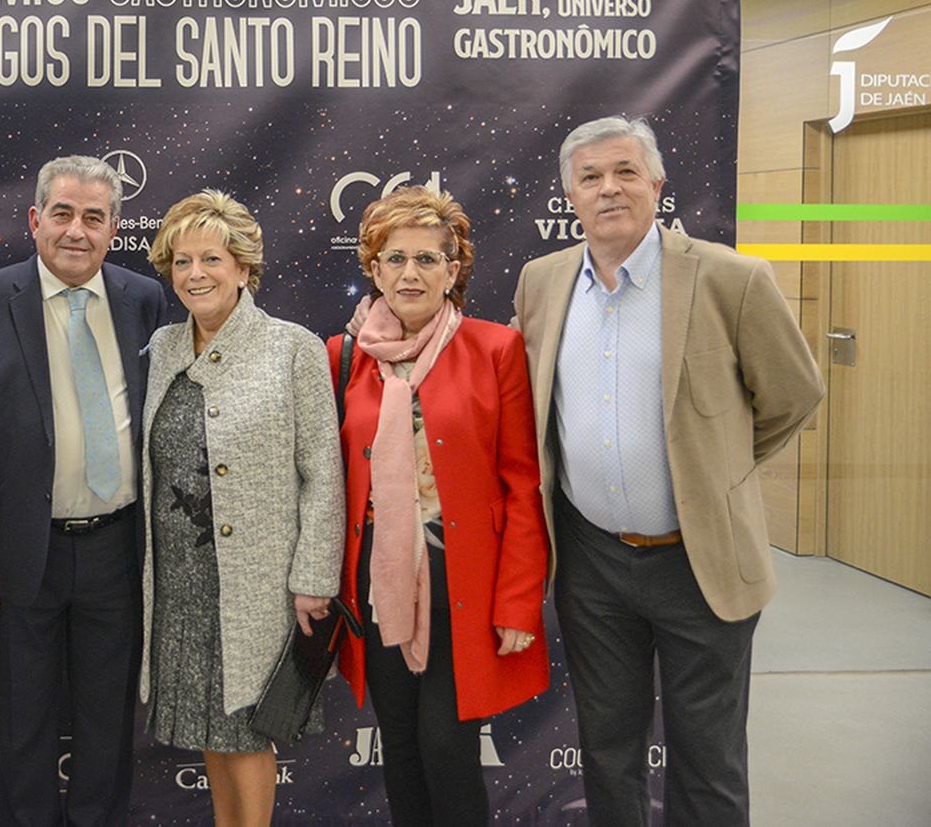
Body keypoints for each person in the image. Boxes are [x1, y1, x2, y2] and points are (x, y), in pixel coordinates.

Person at [513, 117, 824, 827]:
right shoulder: (541, 282)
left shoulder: (731, 279)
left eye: (625, 171)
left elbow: (793, 396)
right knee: (608, 751)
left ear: (656, 183)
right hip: (591, 562)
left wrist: (714, 476)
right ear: (569, 194)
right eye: (590, 177)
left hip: (701, 561)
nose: (608, 188)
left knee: (708, 758)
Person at [0, 155, 166, 826]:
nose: (77, 231)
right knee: (22, 723)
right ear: (36, 220)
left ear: (114, 229)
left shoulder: (145, 299)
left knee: (107, 725)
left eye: (94, 218)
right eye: (63, 214)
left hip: (117, 550)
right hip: (17, 555)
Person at [329, 185, 549, 827]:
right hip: (379, 578)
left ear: (454, 271)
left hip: (467, 581)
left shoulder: (494, 349)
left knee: (447, 746)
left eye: (428, 259)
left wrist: (517, 602)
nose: (410, 273)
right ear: (373, 269)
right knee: (399, 746)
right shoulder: (343, 358)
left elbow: (522, 487)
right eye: (394, 259)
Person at [139, 190, 343, 827]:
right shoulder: (166, 347)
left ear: (245, 269)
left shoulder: (293, 348)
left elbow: (324, 476)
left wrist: (313, 580)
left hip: (256, 582)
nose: (194, 274)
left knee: (248, 733)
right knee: (211, 727)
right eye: (181, 261)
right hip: (179, 579)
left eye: (211, 259)